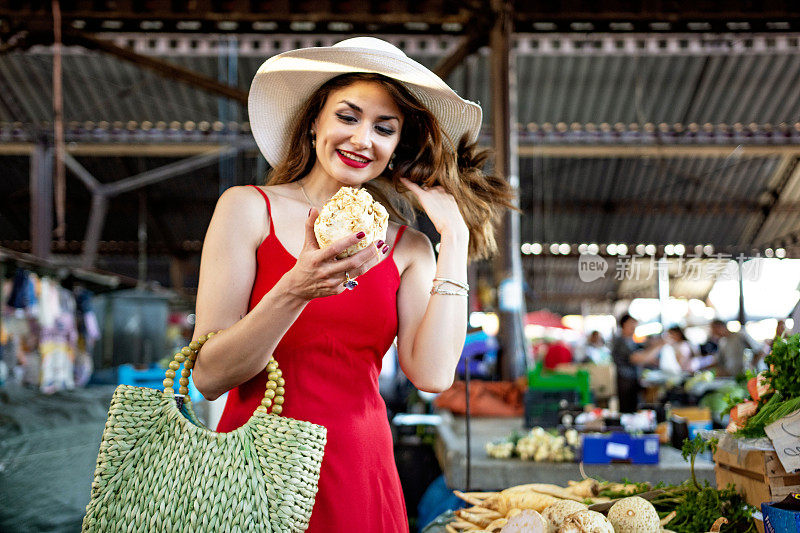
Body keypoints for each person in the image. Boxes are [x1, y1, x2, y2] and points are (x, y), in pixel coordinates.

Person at [190, 37, 512, 532]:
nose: (364, 139)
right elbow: (210, 375)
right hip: (255, 471)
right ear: (315, 118)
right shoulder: (247, 208)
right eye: (348, 117)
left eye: (385, 129)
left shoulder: (409, 249)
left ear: (397, 148)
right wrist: (297, 287)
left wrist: (454, 237)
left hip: (360, 471)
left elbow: (432, 376)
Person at [610, 314, 665, 413]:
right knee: (628, 411)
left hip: (634, 381)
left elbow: (644, 353)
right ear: (624, 324)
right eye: (631, 324)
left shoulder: (631, 341)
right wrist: (658, 346)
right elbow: (637, 358)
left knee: (636, 409)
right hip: (625, 383)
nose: (634, 327)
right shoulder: (621, 342)